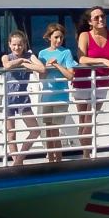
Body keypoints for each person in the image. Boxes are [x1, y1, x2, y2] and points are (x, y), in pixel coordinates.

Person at [73, 5, 109, 155]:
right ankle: (86, 155)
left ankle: (86, 155)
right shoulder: (85, 36)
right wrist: (103, 60)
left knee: (90, 119)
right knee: (83, 120)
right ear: (90, 22)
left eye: (103, 16)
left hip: (102, 80)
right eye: (97, 17)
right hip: (83, 80)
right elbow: (81, 58)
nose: (101, 19)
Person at [0, 30, 46, 164]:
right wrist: (20, 60)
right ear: (9, 44)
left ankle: (18, 161)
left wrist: (25, 63)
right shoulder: (6, 57)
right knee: (11, 133)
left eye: (20, 45)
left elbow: (42, 69)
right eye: (14, 45)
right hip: (9, 98)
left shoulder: (29, 56)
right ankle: (16, 162)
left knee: (35, 130)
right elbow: (7, 66)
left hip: (23, 98)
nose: (17, 48)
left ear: (24, 44)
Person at [36, 22, 76, 163]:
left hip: (60, 96)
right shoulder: (42, 53)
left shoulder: (66, 53)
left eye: (61, 37)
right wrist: (45, 67)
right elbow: (41, 76)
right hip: (47, 96)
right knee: (48, 129)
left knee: (55, 130)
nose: (59, 40)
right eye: (56, 37)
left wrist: (57, 64)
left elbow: (71, 75)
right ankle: (51, 160)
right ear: (49, 37)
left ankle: (57, 161)